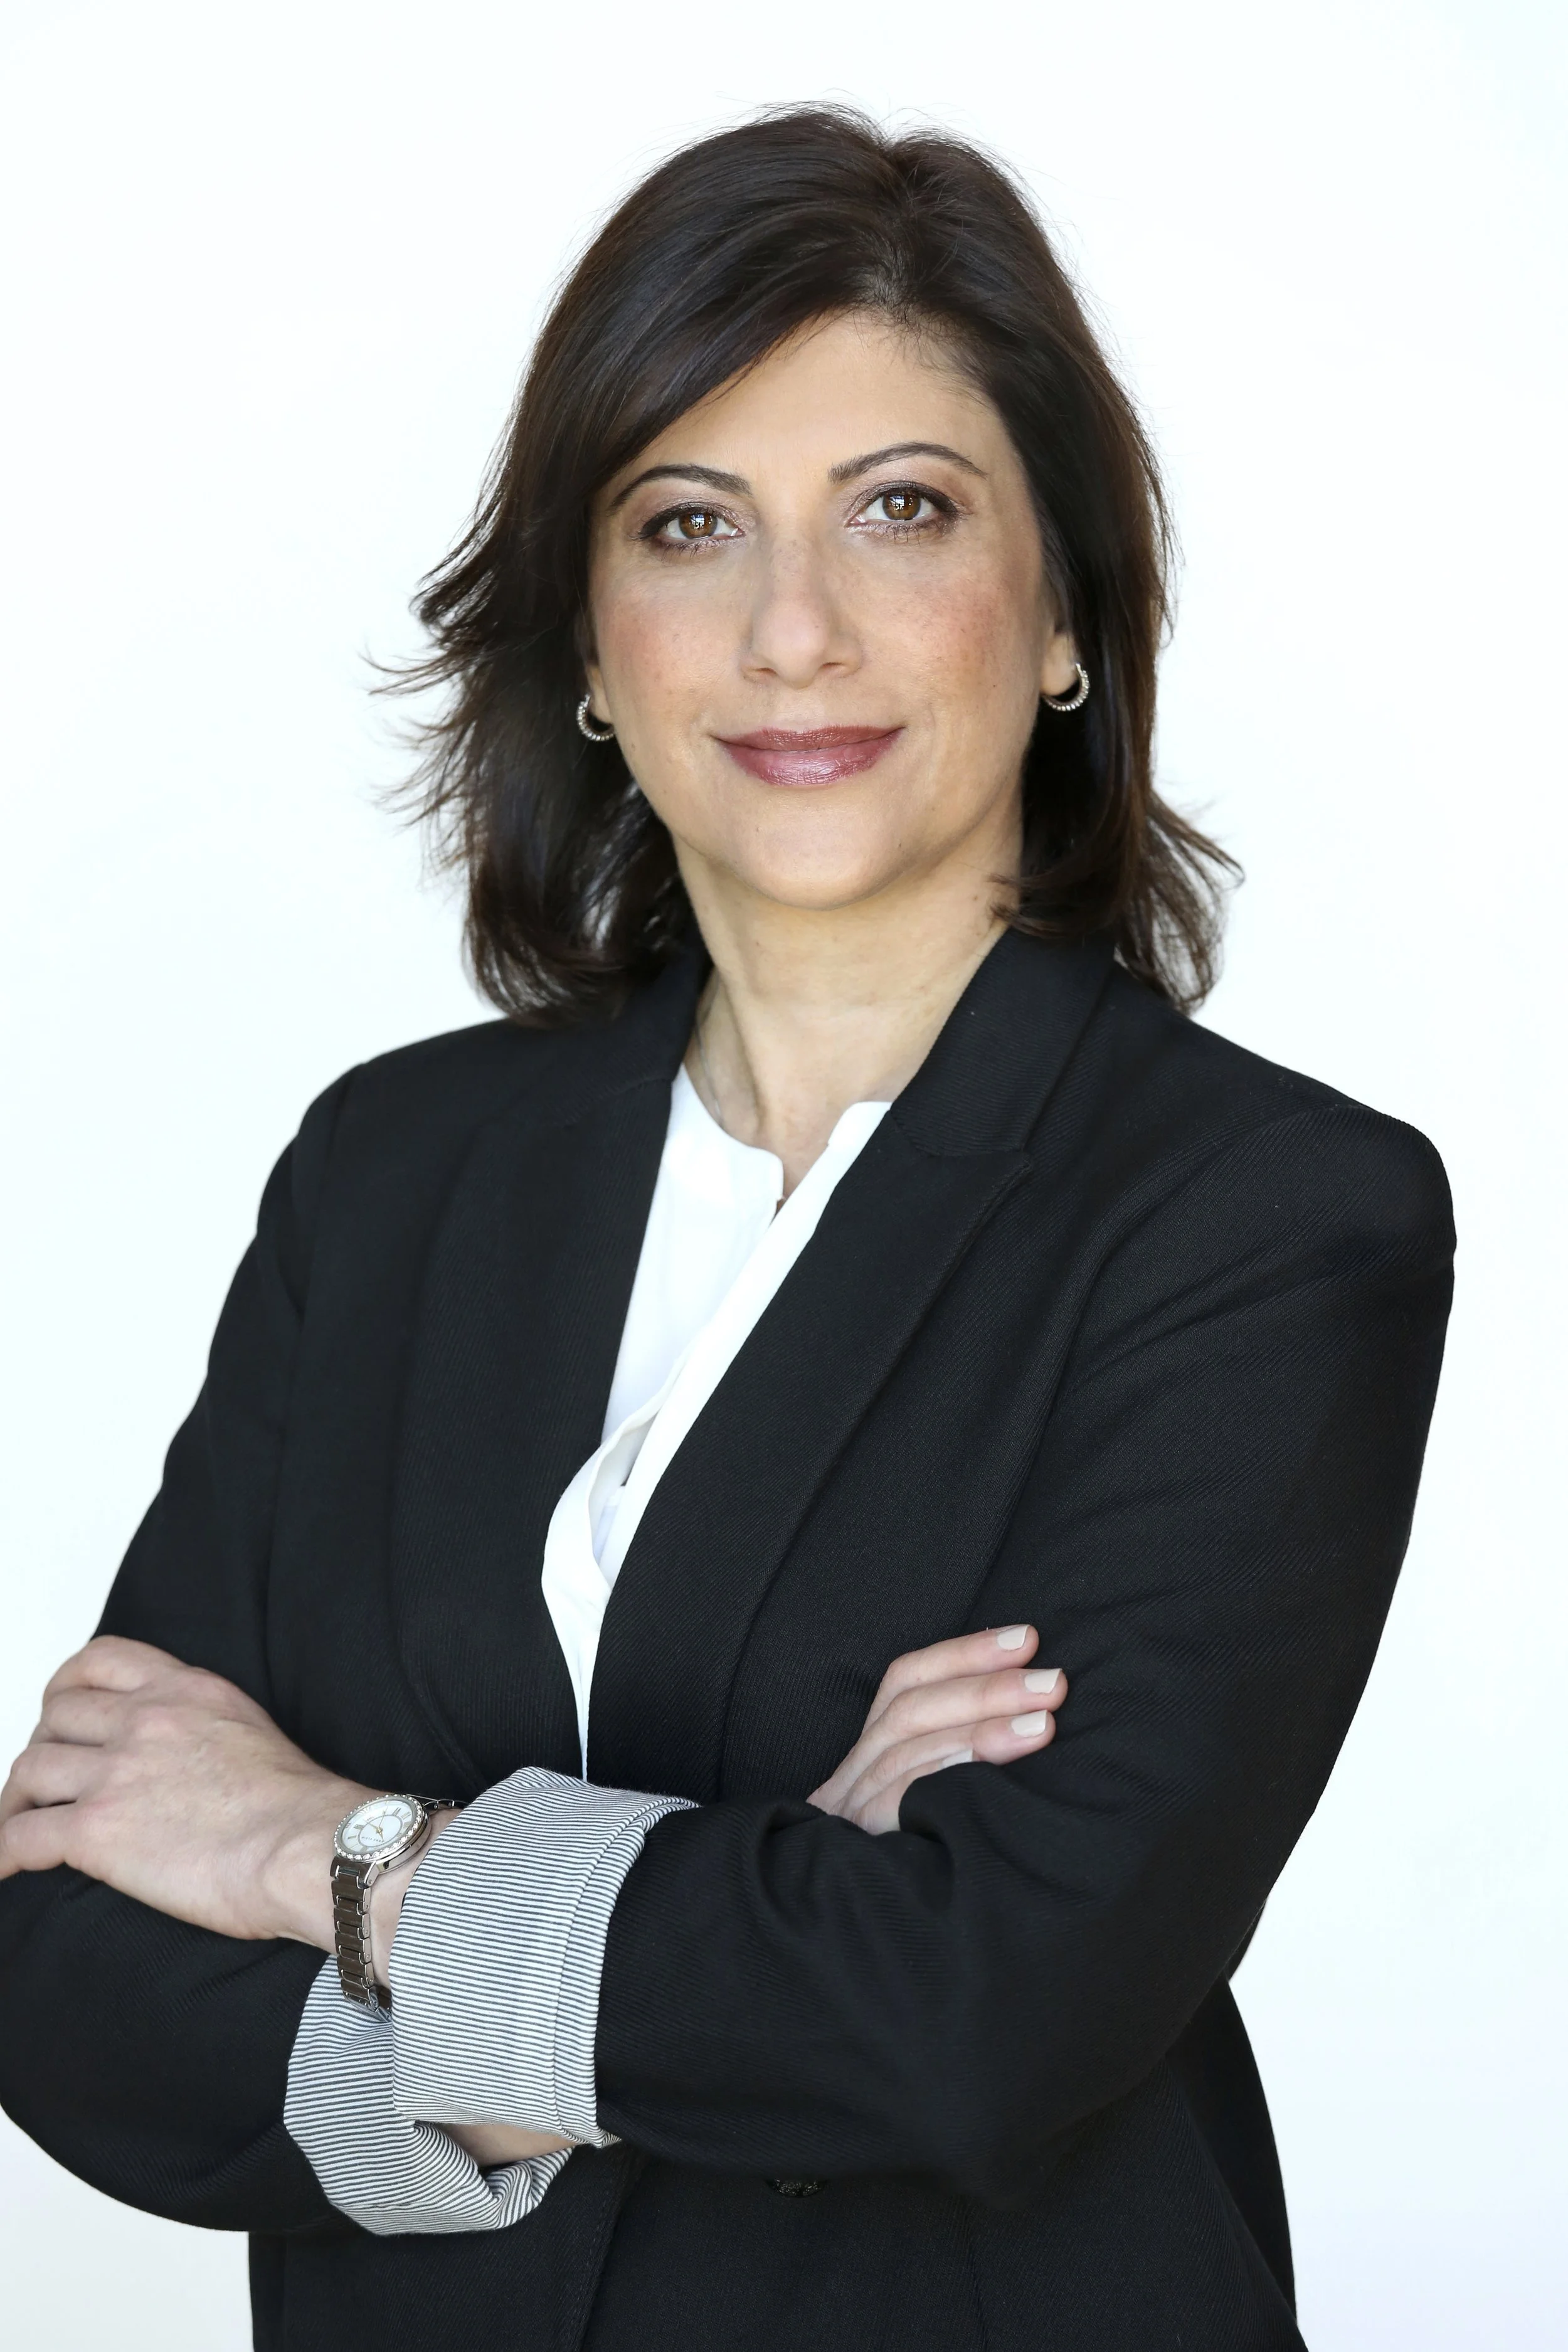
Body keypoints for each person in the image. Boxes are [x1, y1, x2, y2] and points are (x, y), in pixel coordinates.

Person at [0, 107, 1452, 2352]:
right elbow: (71, 1946)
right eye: (690, 524)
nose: (791, 628)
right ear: (589, 637)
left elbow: (968, 2019)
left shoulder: (1262, 1222)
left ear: (1061, 610)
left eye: (900, 510)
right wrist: (746, 1906)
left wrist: (323, 1854)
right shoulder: (391, 1175)